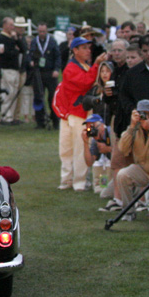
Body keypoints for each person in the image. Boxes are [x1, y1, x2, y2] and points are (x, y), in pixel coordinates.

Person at [52, 37, 106, 191]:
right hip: (76, 112)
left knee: (75, 147)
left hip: (77, 112)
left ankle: (76, 180)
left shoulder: (81, 65)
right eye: (84, 48)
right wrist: (96, 65)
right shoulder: (71, 68)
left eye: (88, 48)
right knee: (71, 147)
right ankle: (73, 180)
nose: (88, 50)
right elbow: (85, 82)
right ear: (75, 50)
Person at [113, 100, 149, 221]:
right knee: (122, 175)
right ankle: (128, 211)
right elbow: (123, 148)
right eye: (142, 113)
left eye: (148, 114)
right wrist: (131, 127)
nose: (145, 117)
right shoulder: (135, 127)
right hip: (142, 169)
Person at [0, 17, 27, 125]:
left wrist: (16, 39)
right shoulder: (1, 38)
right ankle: (6, 115)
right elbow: (4, 54)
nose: (12, 27)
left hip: (15, 69)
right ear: (4, 25)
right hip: (7, 69)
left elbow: (23, 49)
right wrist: (15, 51)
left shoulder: (13, 37)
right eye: (10, 25)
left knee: (13, 93)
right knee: (7, 92)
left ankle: (12, 115)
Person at [30, 23, 61, 129]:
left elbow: (57, 56)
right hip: (38, 73)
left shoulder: (52, 41)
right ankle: (40, 121)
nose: (42, 33)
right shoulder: (34, 41)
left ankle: (55, 120)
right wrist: (31, 61)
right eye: (40, 31)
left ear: (47, 31)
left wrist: (56, 69)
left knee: (53, 97)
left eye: (43, 31)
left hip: (50, 73)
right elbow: (30, 54)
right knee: (38, 97)